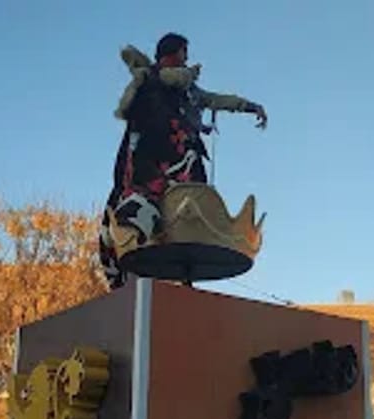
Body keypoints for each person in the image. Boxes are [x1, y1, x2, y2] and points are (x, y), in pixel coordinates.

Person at [99, 33, 268, 289]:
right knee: (152, 204)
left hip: (183, 156)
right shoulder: (150, 83)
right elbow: (137, 121)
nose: (187, 57)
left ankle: (182, 274)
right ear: (172, 53)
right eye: (183, 51)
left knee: (188, 206)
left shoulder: (187, 89)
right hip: (153, 158)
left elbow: (214, 99)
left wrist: (248, 106)